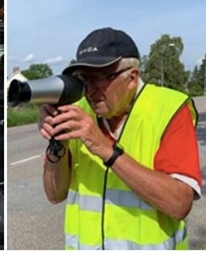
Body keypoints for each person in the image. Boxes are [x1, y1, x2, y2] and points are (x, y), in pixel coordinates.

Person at [38, 27, 202, 250]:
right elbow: (55, 195)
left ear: (132, 78)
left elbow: (179, 204)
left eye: (99, 79)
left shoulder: (169, 109)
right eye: (85, 79)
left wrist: (105, 148)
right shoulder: (78, 111)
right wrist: (57, 143)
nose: (90, 90)